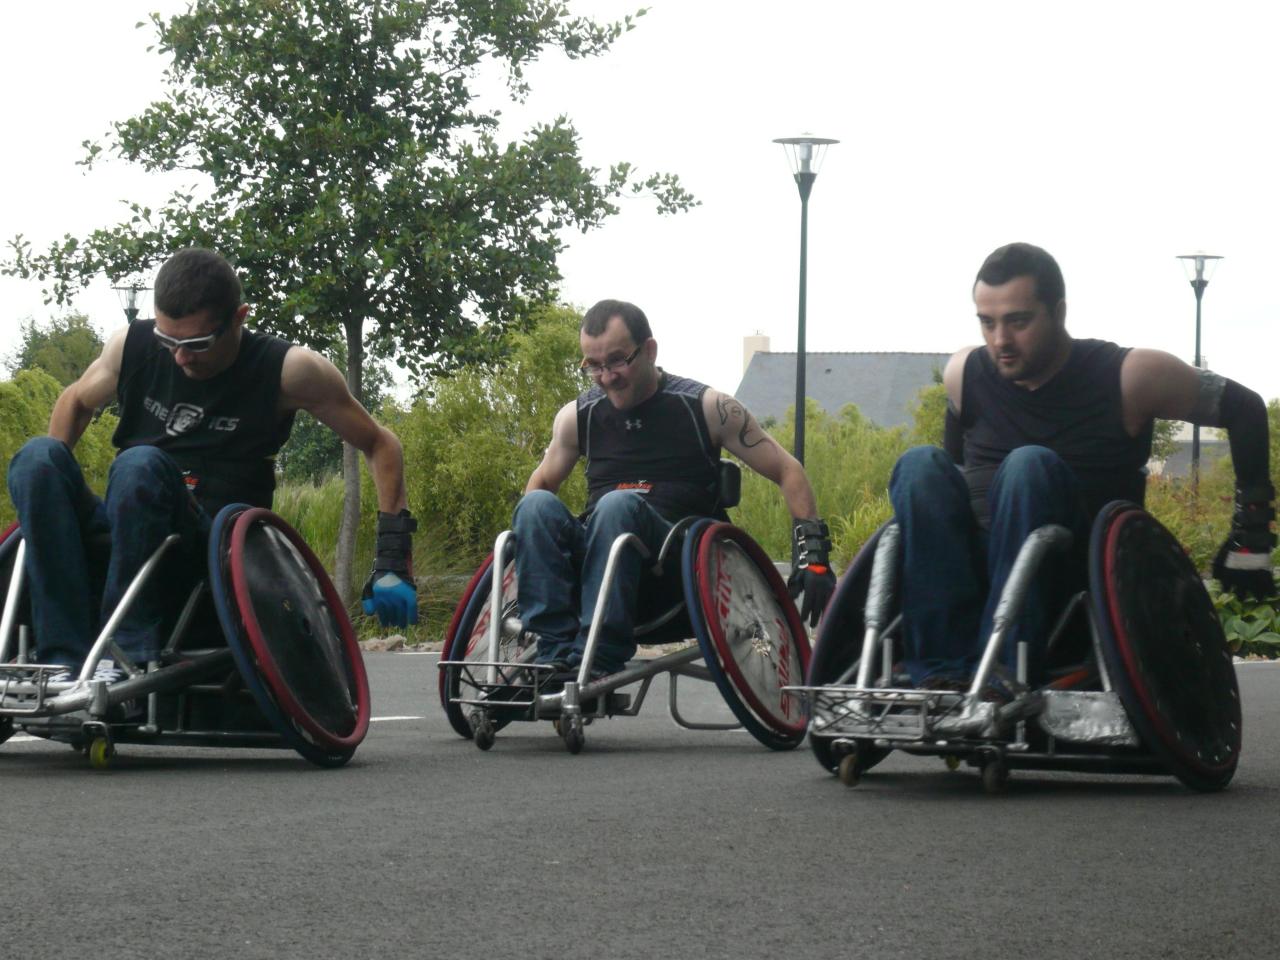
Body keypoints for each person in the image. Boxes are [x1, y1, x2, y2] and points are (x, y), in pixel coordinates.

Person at [6, 248, 417, 685]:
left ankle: (122, 656)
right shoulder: (130, 345)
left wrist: (392, 558)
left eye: (197, 344)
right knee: (37, 459)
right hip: (127, 522)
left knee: (139, 463)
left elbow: (379, 443)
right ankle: (61, 661)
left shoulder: (288, 370)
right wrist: (53, 502)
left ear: (239, 317)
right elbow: (75, 401)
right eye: (169, 342)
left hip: (210, 540)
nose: (181, 358)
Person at [890, 241, 1274, 691]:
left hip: (1073, 575)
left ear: (1059, 311)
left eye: (1018, 321)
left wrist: (1252, 535)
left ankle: (1005, 671)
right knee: (918, 465)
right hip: (973, 574)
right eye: (987, 322)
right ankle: (941, 671)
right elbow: (950, 475)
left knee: (1027, 465)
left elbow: (1245, 409)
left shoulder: (1129, 375)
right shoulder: (963, 373)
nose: (1000, 341)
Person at [512, 298, 835, 680]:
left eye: (617, 360)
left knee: (618, 504)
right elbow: (543, 484)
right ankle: (554, 654)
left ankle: (596, 656)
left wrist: (812, 556)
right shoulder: (577, 417)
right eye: (594, 365)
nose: (607, 376)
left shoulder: (707, 407)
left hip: (678, 568)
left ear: (649, 350)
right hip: (599, 559)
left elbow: (787, 470)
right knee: (534, 506)